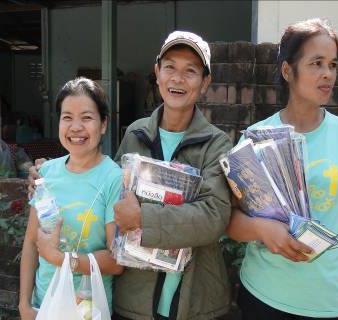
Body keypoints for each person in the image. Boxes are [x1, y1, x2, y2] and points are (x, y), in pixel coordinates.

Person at [226, 18, 338, 320]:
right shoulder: (255, 137)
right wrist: (261, 228)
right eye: (316, 63)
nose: (328, 75)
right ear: (288, 70)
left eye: (333, 65)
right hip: (264, 297)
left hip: (332, 302)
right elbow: (230, 221)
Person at [112, 31, 232, 320]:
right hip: (134, 299)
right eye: (170, 67)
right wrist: (53, 177)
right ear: (157, 73)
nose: (178, 79)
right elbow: (108, 189)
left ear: (205, 83)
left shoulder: (217, 143)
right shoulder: (135, 133)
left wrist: (142, 218)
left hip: (194, 301)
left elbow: (213, 216)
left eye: (190, 71)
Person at [19, 77, 123, 320]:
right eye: (67, 117)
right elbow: (31, 243)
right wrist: (24, 304)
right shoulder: (46, 173)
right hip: (42, 305)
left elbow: (116, 261)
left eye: (86, 117)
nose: (76, 127)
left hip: (87, 310)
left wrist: (61, 259)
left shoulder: (113, 179)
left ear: (104, 124)